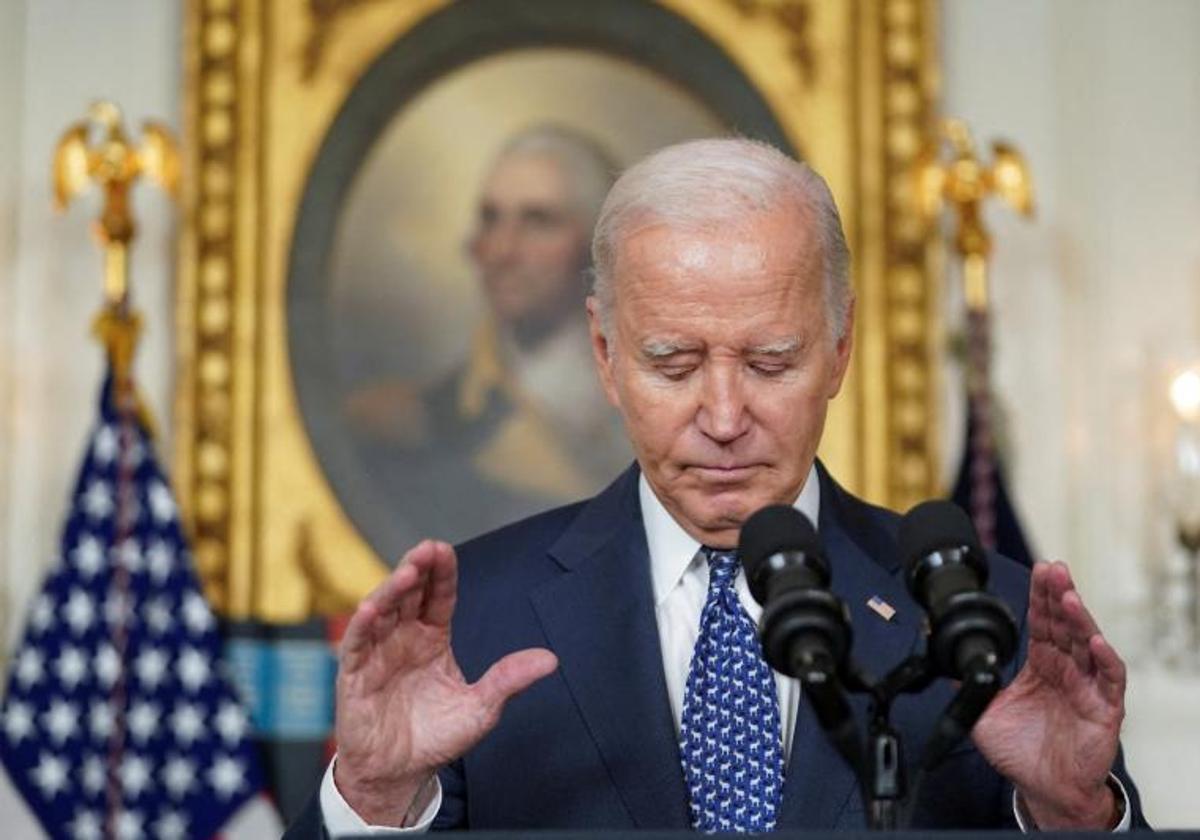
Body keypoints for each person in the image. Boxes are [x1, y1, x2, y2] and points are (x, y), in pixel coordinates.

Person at [290, 138, 1146, 834]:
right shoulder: (474, 618)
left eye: (771, 362)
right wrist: (372, 799)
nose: (726, 415)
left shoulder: (979, 615)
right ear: (605, 356)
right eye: (674, 363)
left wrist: (1076, 813)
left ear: (840, 349)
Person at [345, 125, 632, 545]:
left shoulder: (661, 403)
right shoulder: (410, 423)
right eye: (490, 219)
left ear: (598, 244)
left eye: (538, 221)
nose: (502, 250)